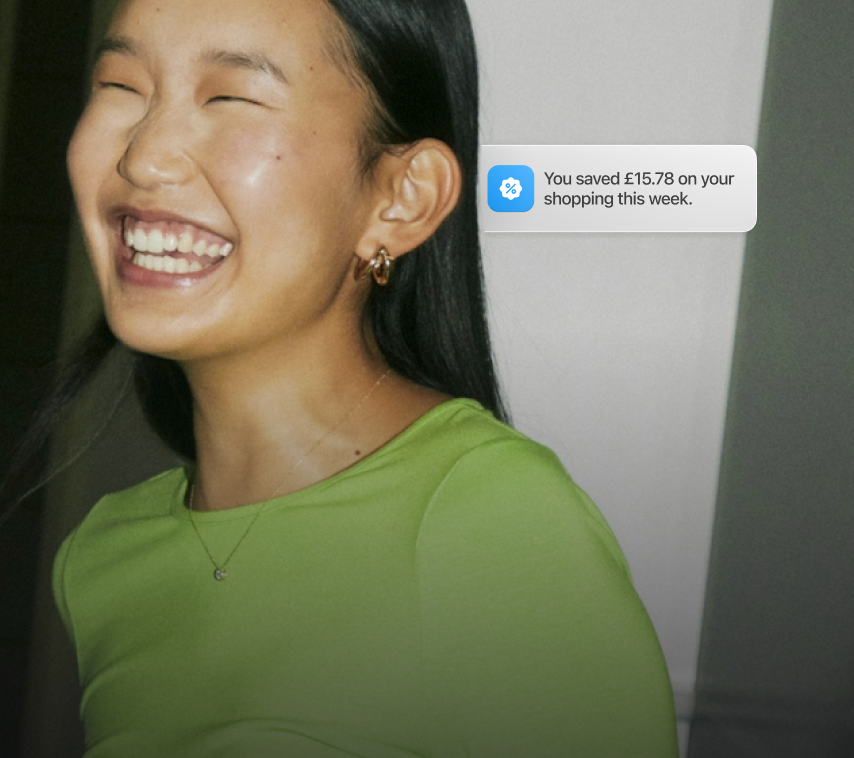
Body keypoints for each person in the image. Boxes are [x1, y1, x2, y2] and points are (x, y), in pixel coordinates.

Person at [46, 0, 680, 754]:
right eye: (121, 84)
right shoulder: (103, 556)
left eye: (230, 97)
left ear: (401, 197)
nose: (144, 155)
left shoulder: (490, 520)